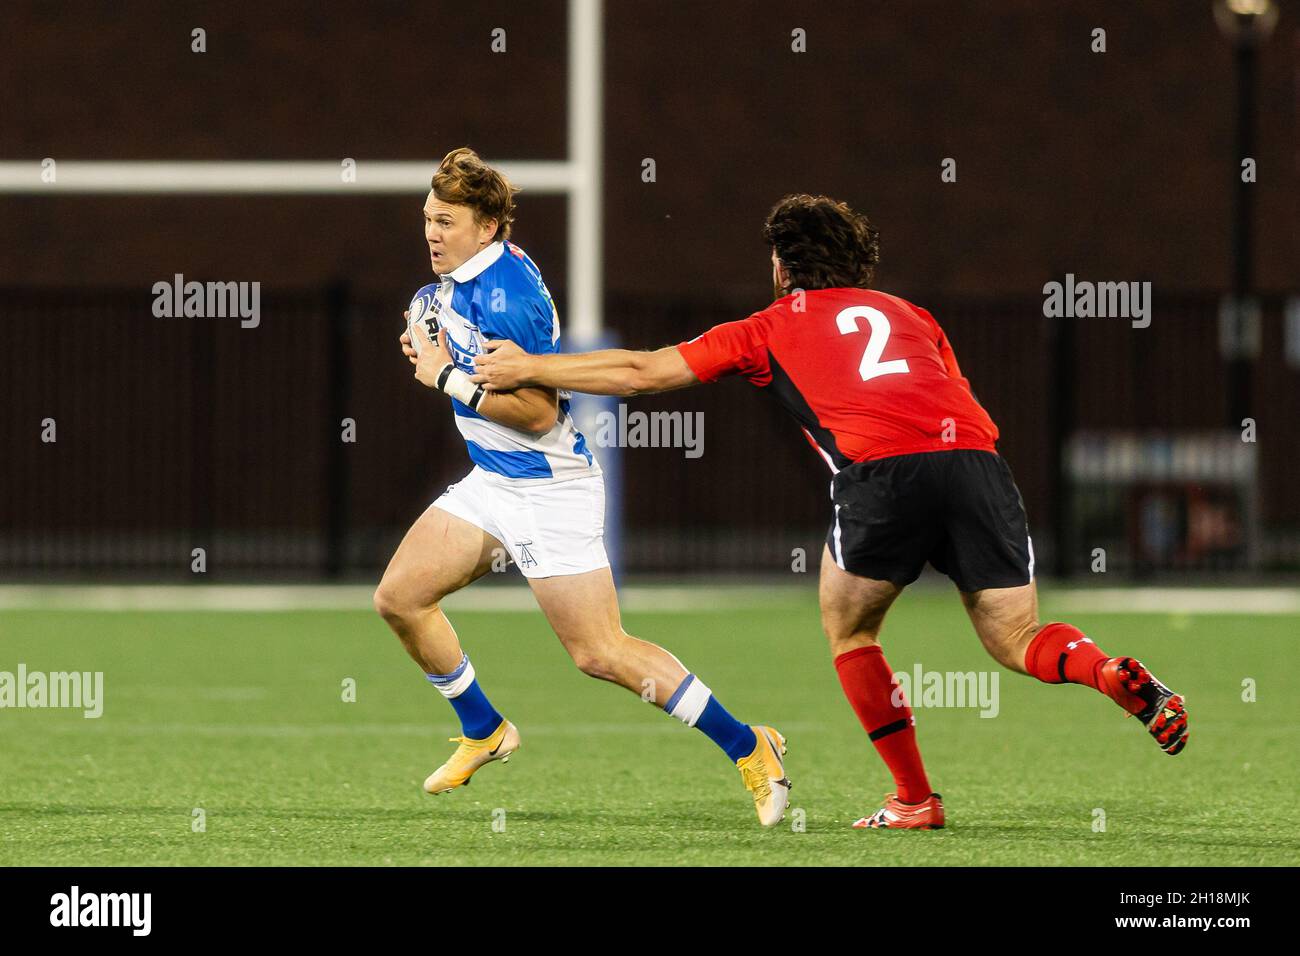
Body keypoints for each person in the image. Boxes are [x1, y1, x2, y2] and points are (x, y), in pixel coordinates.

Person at [470, 193, 1189, 830]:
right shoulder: (914, 316)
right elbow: (951, 397)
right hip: (977, 464)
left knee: (851, 630)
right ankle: (1106, 672)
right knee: (1018, 637)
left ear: (782, 267)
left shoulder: (769, 325)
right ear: (860, 265)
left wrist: (528, 366)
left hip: (882, 477)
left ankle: (915, 798)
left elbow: (641, 372)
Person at [376, 147, 791, 827]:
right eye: (427, 218)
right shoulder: (459, 279)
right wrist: (429, 341)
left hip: (547, 487)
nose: (430, 232)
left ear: (486, 228)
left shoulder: (507, 295)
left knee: (599, 653)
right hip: (494, 482)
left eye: (446, 221)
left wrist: (444, 377)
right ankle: (485, 729)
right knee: (401, 598)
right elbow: (444, 330)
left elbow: (537, 415)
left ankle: (752, 745)